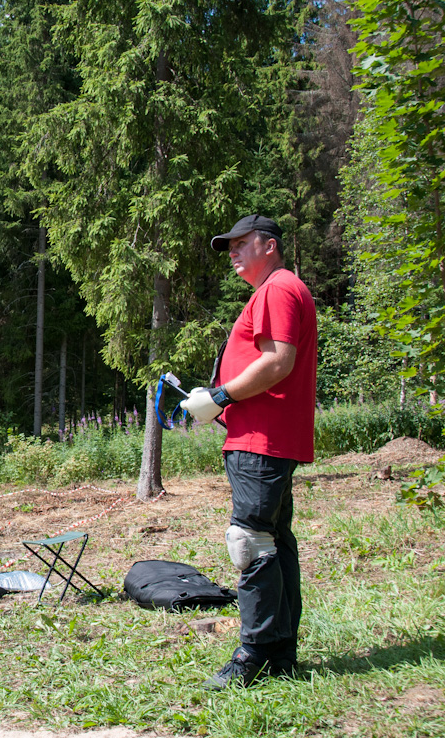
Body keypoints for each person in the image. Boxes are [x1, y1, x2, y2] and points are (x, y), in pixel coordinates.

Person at [181, 214, 317, 690]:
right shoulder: (278, 288)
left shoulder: (277, 289)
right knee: (275, 544)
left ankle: (255, 656)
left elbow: (278, 361)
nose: (233, 252)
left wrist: (219, 397)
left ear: (271, 245)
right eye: (229, 245)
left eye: (242, 243)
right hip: (263, 439)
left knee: (251, 543)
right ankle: (279, 654)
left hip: (261, 440)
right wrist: (217, 396)